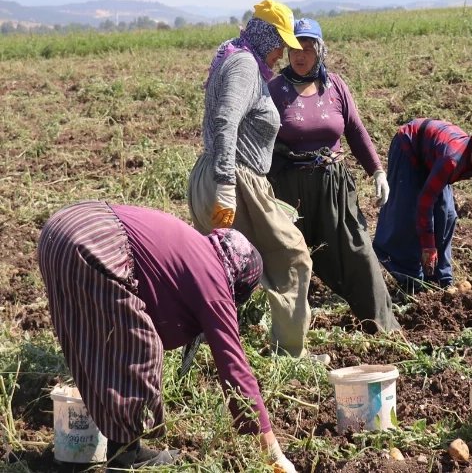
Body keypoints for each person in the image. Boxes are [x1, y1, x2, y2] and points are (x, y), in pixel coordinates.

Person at [37, 201, 296, 472]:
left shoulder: (195, 250)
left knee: (110, 342)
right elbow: (235, 371)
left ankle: (128, 451)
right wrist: (273, 454)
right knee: (140, 350)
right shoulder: (214, 280)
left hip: (61, 231)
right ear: (236, 283)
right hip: (91, 241)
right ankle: (122, 463)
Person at [187, 0, 315, 358]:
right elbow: (226, 120)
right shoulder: (245, 65)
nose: (281, 54)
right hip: (234, 181)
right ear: (266, 36)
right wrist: (228, 184)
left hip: (217, 177)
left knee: (217, 268)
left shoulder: (236, 54)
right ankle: (289, 354)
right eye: (280, 43)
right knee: (292, 257)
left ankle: (198, 348)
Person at [267, 18, 399, 332]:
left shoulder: (335, 85)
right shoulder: (275, 89)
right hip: (289, 188)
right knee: (291, 261)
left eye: (309, 49)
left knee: (357, 249)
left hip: (333, 185)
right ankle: (290, 335)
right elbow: (259, 137)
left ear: (320, 51)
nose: (301, 55)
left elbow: (355, 130)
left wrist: (377, 171)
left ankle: (382, 326)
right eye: (296, 48)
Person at [373, 114, 472, 292]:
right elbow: (425, 202)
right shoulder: (452, 159)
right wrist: (428, 248)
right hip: (410, 147)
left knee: (448, 215)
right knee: (408, 214)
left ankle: (441, 279)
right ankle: (412, 280)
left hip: (433, 158)